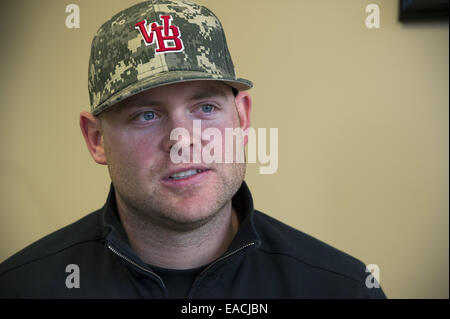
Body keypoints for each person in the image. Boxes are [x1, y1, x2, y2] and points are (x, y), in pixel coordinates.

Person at [0, 0, 386, 298]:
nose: (183, 140)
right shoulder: (21, 288)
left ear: (242, 118)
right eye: (146, 115)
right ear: (96, 139)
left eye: (205, 108)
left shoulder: (342, 289)